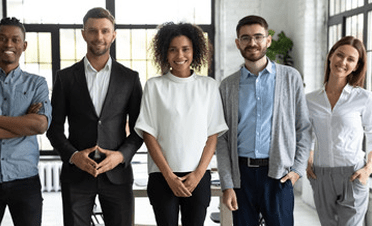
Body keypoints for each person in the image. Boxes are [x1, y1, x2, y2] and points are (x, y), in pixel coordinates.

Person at [46, 7, 143, 226]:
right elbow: (54, 128)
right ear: (83, 34)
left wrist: (120, 156)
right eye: (93, 31)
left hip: (117, 175)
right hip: (76, 176)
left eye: (105, 31)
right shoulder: (65, 77)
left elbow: (139, 129)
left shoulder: (130, 78)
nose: (99, 37)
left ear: (113, 35)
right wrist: (73, 156)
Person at [216, 15, 311, 226]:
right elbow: (221, 139)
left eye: (258, 37)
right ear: (237, 43)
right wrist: (227, 184)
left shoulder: (290, 77)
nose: (252, 43)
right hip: (241, 177)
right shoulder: (227, 86)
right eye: (245, 38)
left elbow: (303, 128)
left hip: (278, 175)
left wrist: (297, 171)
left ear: (268, 40)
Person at [134, 22, 228, 226]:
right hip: (162, 175)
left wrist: (198, 174)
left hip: (198, 176)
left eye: (186, 49)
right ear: (164, 53)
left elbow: (213, 134)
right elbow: (148, 134)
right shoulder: (154, 86)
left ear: (195, 50)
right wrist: (168, 176)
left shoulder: (209, 86)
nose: (180, 56)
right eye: (173, 50)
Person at [306, 36, 372, 226]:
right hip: (321, 175)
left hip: (353, 174)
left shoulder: (364, 98)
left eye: (351, 59)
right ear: (330, 56)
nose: (343, 62)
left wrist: (368, 169)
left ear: (357, 66)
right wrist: (308, 159)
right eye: (339, 55)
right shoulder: (310, 100)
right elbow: (306, 133)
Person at [0, 17, 52, 226]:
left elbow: (40, 125)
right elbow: (31, 125)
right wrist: (23, 123)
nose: (9, 44)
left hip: (25, 180)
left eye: (15, 39)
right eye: (2, 38)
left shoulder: (36, 84)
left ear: (24, 45)